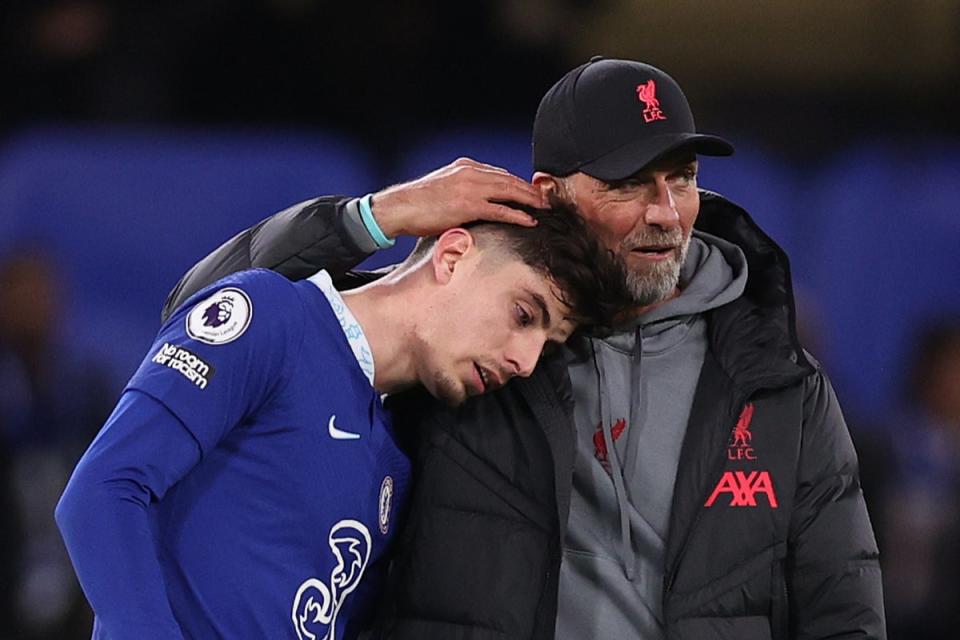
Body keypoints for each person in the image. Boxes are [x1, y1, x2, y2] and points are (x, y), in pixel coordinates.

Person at [163, 58, 886, 639]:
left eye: (682, 180)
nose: (665, 214)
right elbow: (205, 315)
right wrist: (376, 216)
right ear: (553, 193)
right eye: (631, 183)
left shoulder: (776, 380)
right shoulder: (469, 328)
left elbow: (843, 607)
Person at [55, 205, 631, 640]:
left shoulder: (396, 463)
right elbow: (102, 490)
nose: (524, 360)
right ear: (452, 257)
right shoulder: (271, 317)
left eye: (545, 345)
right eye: (524, 314)